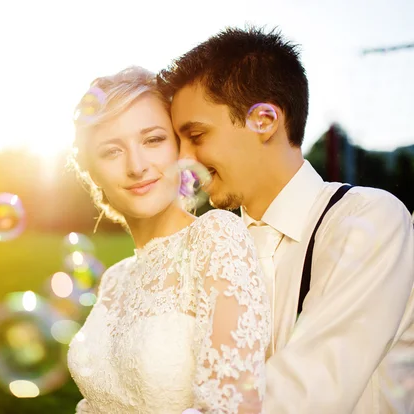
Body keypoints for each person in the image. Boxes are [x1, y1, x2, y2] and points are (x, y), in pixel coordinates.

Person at [157, 26, 414, 413]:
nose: (184, 158)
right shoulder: (209, 249)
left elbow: (309, 393)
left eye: (196, 134)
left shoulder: (368, 219)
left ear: (265, 119)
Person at [66, 66, 271, 414]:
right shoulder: (114, 278)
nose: (137, 166)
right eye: (111, 151)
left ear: (179, 148)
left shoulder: (215, 237)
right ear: (92, 172)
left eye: (152, 140)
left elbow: (231, 406)